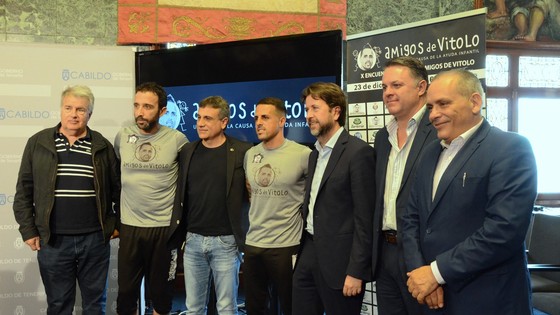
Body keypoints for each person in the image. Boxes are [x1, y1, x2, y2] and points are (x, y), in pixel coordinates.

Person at [401, 69, 538, 314]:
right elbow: (411, 217)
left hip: (487, 299)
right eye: (431, 106)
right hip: (431, 297)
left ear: (475, 102)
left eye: (443, 104)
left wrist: (435, 273)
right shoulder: (429, 152)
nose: (434, 114)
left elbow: (504, 231)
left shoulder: (510, 148)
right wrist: (421, 274)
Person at [13, 85, 120, 314]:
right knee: (59, 305)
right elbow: (24, 191)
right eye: (68, 108)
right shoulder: (38, 143)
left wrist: (115, 225)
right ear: (60, 110)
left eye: (81, 109)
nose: (74, 114)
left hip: (94, 240)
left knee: (94, 305)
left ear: (89, 114)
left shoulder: (102, 146)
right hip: (53, 241)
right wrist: (29, 230)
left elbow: (118, 191)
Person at [292, 82, 375, 315]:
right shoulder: (313, 154)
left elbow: (365, 219)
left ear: (336, 112)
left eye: (315, 109)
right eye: (306, 109)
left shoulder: (358, 153)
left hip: (341, 264)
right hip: (308, 252)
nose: (308, 116)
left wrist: (356, 270)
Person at [171, 95, 252, 315]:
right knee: (193, 308)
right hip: (193, 242)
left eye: (208, 118)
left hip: (226, 242)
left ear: (224, 122)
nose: (200, 123)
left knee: (226, 308)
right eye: (198, 117)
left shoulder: (243, 151)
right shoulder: (188, 151)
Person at [114, 82, 188, 315]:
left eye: (147, 106)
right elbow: (117, 174)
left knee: (162, 296)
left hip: (163, 230)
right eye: (137, 105)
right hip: (130, 227)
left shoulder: (178, 140)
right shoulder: (123, 136)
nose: (140, 112)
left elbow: (187, 183)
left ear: (162, 111)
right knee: (126, 295)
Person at [372, 57, 437, 315]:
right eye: (385, 87)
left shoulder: (438, 131)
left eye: (396, 85)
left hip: (422, 255)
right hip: (385, 252)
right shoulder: (382, 137)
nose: (388, 93)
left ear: (421, 88)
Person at [243, 97, 311, 315]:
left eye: (265, 117)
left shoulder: (302, 155)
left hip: (286, 246)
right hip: (254, 244)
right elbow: (251, 194)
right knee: (256, 309)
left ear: (282, 121)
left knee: (291, 307)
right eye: (256, 118)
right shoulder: (250, 154)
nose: (258, 123)